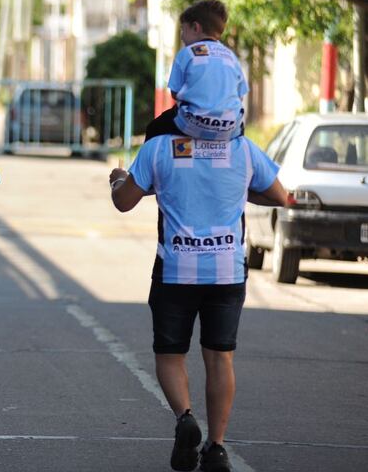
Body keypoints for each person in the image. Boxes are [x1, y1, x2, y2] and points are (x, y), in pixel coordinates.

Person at [109, 133, 288, 472]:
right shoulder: (242, 148)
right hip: (227, 270)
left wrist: (119, 179)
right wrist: (237, 190)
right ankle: (217, 447)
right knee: (220, 356)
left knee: (171, 353)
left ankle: (185, 417)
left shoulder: (161, 147)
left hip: (177, 268)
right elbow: (280, 195)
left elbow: (124, 201)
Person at [147, 0, 248, 141]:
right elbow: (240, 95)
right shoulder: (231, 56)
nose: (181, 36)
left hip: (192, 126)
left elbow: (174, 93)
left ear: (195, 27)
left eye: (183, 29)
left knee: (154, 128)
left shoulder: (186, 54)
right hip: (229, 129)